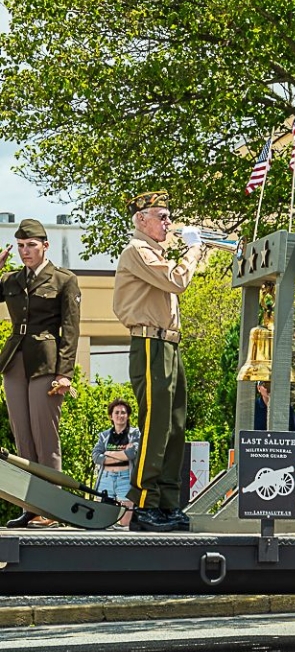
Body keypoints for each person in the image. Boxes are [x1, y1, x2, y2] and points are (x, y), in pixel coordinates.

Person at [113, 191, 207, 532]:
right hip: (149, 343)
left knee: (174, 425)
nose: (168, 223)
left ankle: (167, 502)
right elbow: (177, 280)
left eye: (168, 216)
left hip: (168, 344)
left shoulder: (156, 254)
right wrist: (194, 250)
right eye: (161, 216)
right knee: (155, 425)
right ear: (141, 219)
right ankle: (143, 502)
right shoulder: (137, 250)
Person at [0, 218, 81, 528]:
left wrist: (65, 373)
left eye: (31, 245)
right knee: (23, 438)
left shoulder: (63, 279)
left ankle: (53, 507)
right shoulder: (10, 280)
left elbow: (71, 330)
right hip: (14, 362)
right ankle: (31, 508)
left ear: (45, 246)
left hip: (47, 362)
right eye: (21, 246)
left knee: (44, 436)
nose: (25, 251)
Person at [92, 398, 140, 527]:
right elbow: (96, 456)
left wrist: (108, 453)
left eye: (123, 412)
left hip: (125, 478)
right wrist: (121, 455)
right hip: (106, 479)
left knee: (125, 523)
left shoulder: (135, 434)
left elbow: (132, 454)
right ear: (111, 416)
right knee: (104, 521)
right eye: (116, 412)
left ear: (128, 415)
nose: (120, 415)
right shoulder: (104, 436)